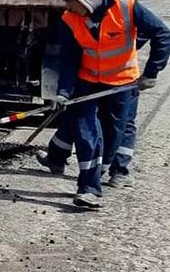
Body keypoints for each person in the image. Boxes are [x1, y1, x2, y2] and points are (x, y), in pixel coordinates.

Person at [43, 0, 170, 209]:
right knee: (87, 133)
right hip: (88, 82)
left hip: (122, 84)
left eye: (71, 3)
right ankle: (88, 189)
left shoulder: (127, 8)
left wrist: (152, 72)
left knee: (114, 135)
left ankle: (106, 173)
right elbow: (69, 60)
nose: (68, 9)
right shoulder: (70, 20)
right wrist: (63, 91)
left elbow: (163, 34)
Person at [38, 35, 147, 187]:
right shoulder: (122, 14)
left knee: (91, 117)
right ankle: (116, 172)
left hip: (114, 77)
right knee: (93, 118)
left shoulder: (122, 14)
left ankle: (108, 172)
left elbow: (158, 33)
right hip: (109, 76)